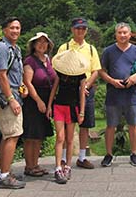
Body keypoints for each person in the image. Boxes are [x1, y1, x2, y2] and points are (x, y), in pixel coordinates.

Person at [55, 17, 101, 169]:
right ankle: (62, 158)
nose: (80, 31)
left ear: (86, 30)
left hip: (86, 89)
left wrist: (86, 86)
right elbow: (58, 68)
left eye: (83, 28)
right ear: (72, 29)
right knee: (66, 126)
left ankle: (82, 157)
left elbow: (96, 71)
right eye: (77, 28)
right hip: (68, 90)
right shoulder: (65, 47)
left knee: (85, 124)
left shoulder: (91, 49)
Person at [99, 22, 136, 167]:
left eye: (125, 32)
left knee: (133, 124)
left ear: (130, 34)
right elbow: (101, 70)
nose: (122, 35)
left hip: (132, 93)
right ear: (116, 34)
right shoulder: (108, 51)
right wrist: (112, 81)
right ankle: (108, 154)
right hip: (113, 92)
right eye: (120, 33)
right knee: (111, 125)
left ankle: (134, 153)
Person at [0, 18, 28, 189]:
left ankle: (3, 171)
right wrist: (11, 99)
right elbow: (2, 75)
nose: (15, 31)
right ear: (4, 30)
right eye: (12, 28)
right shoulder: (1, 48)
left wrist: (22, 87)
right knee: (12, 135)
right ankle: (4, 176)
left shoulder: (15, 48)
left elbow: (15, 73)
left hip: (15, 94)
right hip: (7, 98)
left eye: (18, 28)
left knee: (8, 135)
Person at [47, 49, 89, 184]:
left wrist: (82, 112)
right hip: (59, 106)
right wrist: (49, 106)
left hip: (73, 107)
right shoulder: (60, 73)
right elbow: (54, 89)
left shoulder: (81, 76)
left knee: (70, 139)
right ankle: (58, 167)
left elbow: (82, 94)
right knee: (60, 137)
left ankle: (68, 166)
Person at [22, 32, 57, 177]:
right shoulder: (30, 61)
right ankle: (29, 166)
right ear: (34, 45)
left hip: (47, 98)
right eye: (39, 42)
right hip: (33, 100)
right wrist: (38, 101)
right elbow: (27, 82)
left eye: (45, 42)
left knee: (40, 135)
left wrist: (48, 103)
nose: (42, 45)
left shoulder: (48, 59)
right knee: (31, 135)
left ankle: (35, 164)